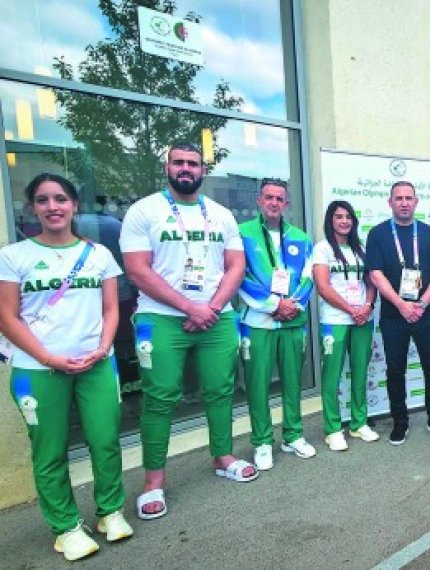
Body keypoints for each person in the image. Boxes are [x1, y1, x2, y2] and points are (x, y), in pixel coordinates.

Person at [120, 141, 255, 522]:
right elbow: (137, 270)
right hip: (161, 317)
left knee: (221, 390)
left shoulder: (221, 214)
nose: (185, 168)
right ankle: (153, 483)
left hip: (216, 316)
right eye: (178, 162)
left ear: (202, 170)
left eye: (192, 163)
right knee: (160, 399)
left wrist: (210, 307)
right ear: (167, 167)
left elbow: (235, 267)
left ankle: (223, 456)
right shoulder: (143, 211)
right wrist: (188, 307)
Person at [0, 174, 132, 561]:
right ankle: (66, 528)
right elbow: (7, 317)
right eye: (43, 200)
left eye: (61, 198)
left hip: (96, 363)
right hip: (38, 369)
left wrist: (104, 347)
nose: (53, 206)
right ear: (32, 208)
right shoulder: (13, 256)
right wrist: (48, 357)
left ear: (75, 205)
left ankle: (110, 512)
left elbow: (112, 309)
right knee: (50, 451)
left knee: (105, 440)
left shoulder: (99, 254)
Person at [238, 179, 316, 468]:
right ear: (259, 200)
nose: (273, 202)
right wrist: (273, 305)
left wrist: (291, 305)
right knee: (257, 385)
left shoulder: (301, 237)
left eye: (279, 198)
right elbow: (237, 276)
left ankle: (293, 435)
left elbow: (309, 277)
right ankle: (261, 441)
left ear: (287, 204)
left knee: (293, 383)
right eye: (268, 197)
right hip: (258, 322)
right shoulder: (242, 233)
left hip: (293, 321)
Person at [365, 181, 430, 445]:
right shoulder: (378, 234)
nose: (403, 202)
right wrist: (402, 305)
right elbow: (375, 274)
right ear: (390, 202)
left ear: (416, 202)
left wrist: (422, 304)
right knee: (395, 369)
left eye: (408, 198)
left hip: (426, 314)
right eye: (398, 198)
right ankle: (400, 422)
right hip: (393, 315)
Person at [312, 200, 379, 450]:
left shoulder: (360, 248)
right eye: (339, 216)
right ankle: (332, 428)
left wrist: (368, 306)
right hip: (335, 320)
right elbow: (323, 287)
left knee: (360, 372)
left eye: (348, 217)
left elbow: (371, 282)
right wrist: (351, 310)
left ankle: (358, 423)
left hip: (363, 319)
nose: (344, 221)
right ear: (331, 220)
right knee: (332, 376)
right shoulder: (322, 249)